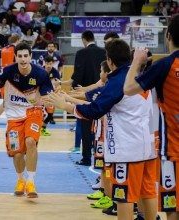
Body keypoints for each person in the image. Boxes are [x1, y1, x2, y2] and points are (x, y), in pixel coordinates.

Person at [45, 39, 158, 220]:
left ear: (110, 61)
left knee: (124, 197)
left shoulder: (119, 81)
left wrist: (65, 106)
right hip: (149, 148)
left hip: (127, 151)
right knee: (148, 192)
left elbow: (95, 110)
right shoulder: (141, 76)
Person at [0, 42, 54, 198]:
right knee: (17, 153)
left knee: (30, 142)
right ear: (15, 57)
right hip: (14, 117)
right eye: (20, 56)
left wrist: (38, 99)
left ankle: (30, 181)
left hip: (33, 112)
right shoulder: (7, 72)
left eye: (26, 56)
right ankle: (20, 180)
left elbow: (48, 99)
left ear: (31, 57)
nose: (23, 59)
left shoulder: (41, 74)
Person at [124, 14, 179, 220]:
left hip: (172, 152)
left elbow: (128, 88)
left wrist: (136, 62)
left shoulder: (164, 65)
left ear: (168, 35)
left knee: (172, 207)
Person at [71, 30, 106, 166]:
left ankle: (86, 158)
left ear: (84, 39)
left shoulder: (81, 53)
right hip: (103, 92)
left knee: (85, 125)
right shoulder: (103, 52)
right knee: (102, 127)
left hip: (86, 93)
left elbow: (78, 73)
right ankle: (101, 158)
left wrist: (74, 88)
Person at [41, 56, 61, 136]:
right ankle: (38, 128)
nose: (48, 65)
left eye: (50, 64)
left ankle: (43, 129)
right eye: (47, 63)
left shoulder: (55, 72)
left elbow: (59, 85)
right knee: (40, 113)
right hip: (41, 96)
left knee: (50, 115)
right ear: (44, 63)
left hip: (51, 95)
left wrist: (58, 89)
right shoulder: (40, 71)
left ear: (52, 63)